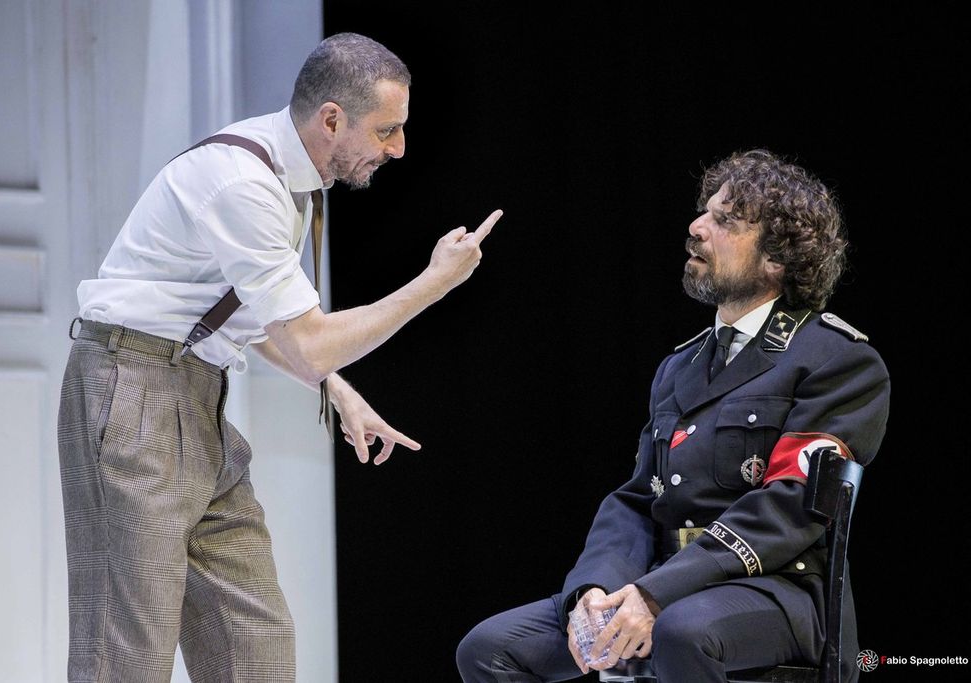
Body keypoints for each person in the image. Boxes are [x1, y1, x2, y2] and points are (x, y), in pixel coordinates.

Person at [58, 32, 501, 683]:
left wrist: (338, 389)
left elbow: (260, 319)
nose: (399, 148)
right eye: (386, 130)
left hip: (193, 395)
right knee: (126, 651)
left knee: (253, 637)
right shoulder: (245, 182)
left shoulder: (287, 181)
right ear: (331, 119)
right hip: (135, 392)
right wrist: (434, 283)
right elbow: (306, 340)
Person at [456, 149, 889, 682]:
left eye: (724, 221)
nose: (696, 227)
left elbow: (790, 506)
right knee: (491, 648)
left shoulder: (835, 360)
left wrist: (656, 593)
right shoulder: (680, 366)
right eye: (704, 212)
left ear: (776, 259)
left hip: (780, 592)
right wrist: (594, 588)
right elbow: (640, 498)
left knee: (681, 631)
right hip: (665, 586)